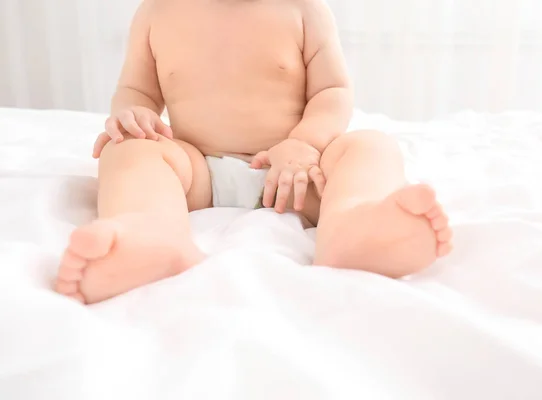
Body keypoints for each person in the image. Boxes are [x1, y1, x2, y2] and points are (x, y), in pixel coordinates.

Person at [54, 0, 453, 304]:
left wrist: (305, 144)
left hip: (298, 175)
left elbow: (332, 92)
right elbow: (138, 90)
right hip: (198, 172)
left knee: (371, 145)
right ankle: (152, 232)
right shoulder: (158, 10)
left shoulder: (302, 8)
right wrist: (132, 114)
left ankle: (352, 227)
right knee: (126, 151)